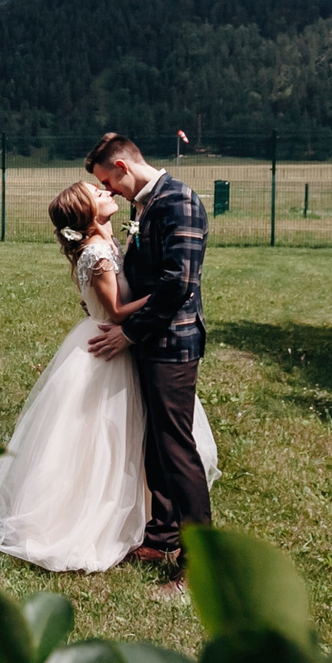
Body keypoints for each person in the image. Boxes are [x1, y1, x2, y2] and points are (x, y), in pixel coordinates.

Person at [0, 183, 219, 573]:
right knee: (101, 438)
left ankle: (152, 523)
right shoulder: (95, 251)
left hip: (121, 344)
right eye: (97, 191)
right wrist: (169, 292)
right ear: (87, 212)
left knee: (130, 436)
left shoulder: (107, 243)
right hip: (107, 348)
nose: (106, 191)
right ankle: (90, 516)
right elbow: (118, 309)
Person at [84, 132, 215, 574]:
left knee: (177, 448)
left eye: (108, 181)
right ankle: (162, 536)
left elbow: (178, 283)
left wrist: (130, 333)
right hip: (150, 341)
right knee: (156, 444)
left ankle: (198, 563)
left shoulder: (179, 201)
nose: (109, 192)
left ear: (123, 167)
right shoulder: (146, 203)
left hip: (172, 342)